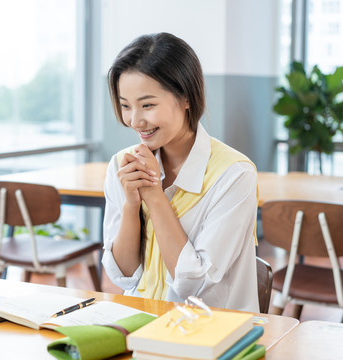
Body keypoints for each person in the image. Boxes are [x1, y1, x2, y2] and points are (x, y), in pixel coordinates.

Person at [102, 32, 259, 312]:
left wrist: (153, 192)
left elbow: (193, 287)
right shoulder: (121, 165)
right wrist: (131, 204)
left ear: (186, 97)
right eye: (126, 105)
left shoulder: (234, 175)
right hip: (141, 322)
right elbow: (122, 274)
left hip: (213, 334)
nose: (135, 121)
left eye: (148, 105)